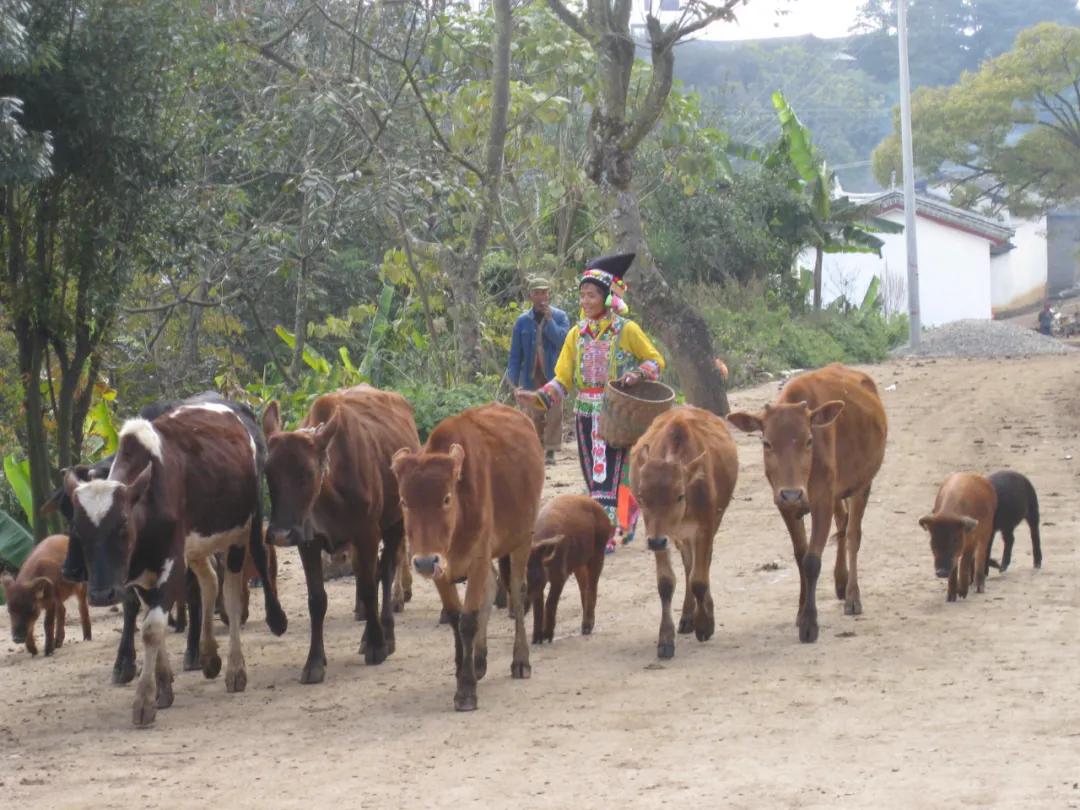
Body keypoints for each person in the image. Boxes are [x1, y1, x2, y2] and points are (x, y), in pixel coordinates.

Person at [516, 253, 665, 553]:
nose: (585, 301)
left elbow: (655, 360)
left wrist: (638, 373)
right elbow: (563, 379)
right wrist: (539, 397)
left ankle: (613, 530)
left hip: (619, 412)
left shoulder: (626, 330)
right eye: (582, 295)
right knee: (595, 475)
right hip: (585, 414)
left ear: (607, 297)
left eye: (592, 295)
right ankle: (610, 527)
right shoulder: (576, 335)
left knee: (615, 472)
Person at [507, 274, 571, 465]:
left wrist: (550, 321)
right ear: (531, 296)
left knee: (554, 412)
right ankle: (536, 448)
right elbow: (515, 355)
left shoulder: (560, 317)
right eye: (537, 292)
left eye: (544, 292)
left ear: (549, 295)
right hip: (531, 374)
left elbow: (563, 341)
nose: (541, 296)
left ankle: (551, 450)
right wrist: (514, 382)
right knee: (533, 413)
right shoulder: (522, 321)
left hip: (554, 374)